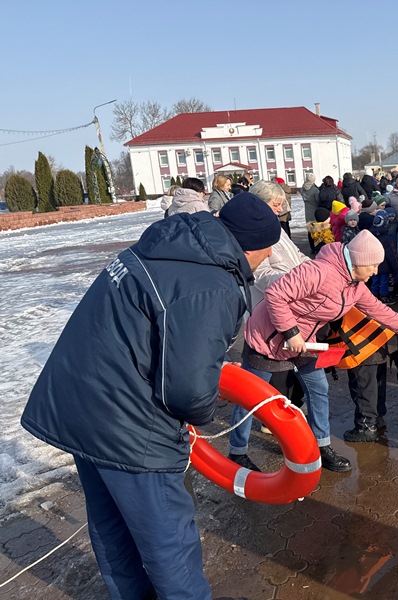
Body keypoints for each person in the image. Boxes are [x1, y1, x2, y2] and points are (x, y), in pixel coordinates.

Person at [20, 193, 281, 600]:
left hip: (78, 406)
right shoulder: (212, 284)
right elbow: (188, 390)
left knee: (111, 527)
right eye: (268, 251)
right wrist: (206, 407)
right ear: (253, 247)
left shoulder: (166, 245)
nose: (268, 259)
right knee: (169, 544)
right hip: (128, 427)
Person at [243, 230, 398, 472]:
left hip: (305, 341)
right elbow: (275, 295)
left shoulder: (355, 286)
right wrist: (291, 333)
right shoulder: (319, 271)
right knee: (250, 396)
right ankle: (237, 450)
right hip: (267, 338)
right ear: (360, 261)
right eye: (373, 265)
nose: (376, 271)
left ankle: (322, 447)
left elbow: (380, 310)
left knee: (319, 388)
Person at [227, 181, 310, 468]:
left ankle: (303, 434)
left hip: (292, 313)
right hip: (266, 318)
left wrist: (313, 271)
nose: (280, 208)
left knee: (306, 380)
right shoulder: (253, 234)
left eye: (280, 203)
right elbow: (260, 274)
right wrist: (296, 284)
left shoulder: (277, 229)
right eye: (275, 204)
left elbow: (297, 256)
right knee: (254, 386)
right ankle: (238, 447)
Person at [371, 210, 398, 305]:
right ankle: (384, 296)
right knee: (384, 281)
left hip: (373, 264)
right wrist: (396, 267)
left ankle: (374, 295)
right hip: (384, 264)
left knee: (375, 280)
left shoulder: (370, 235)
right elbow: (391, 254)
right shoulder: (387, 237)